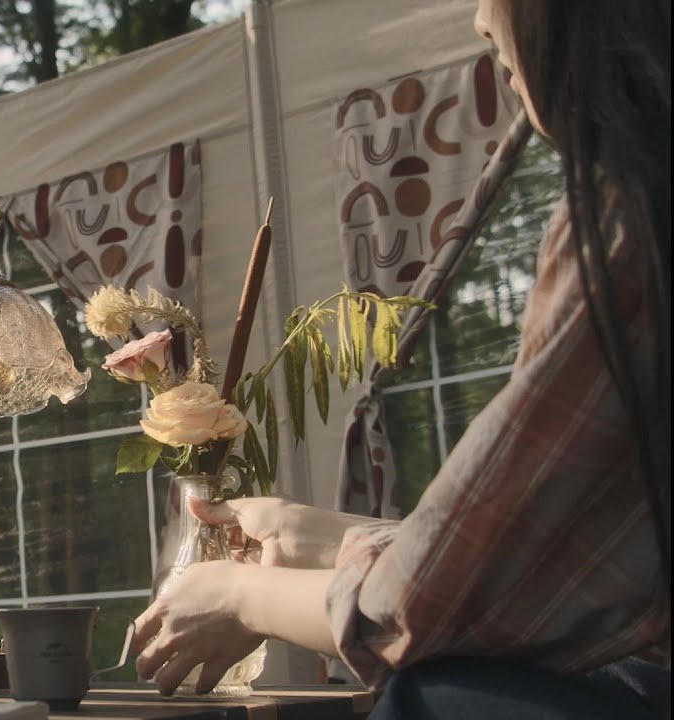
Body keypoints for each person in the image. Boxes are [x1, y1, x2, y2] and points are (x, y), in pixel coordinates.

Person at [132, 0, 671, 717]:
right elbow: (540, 565)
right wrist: (322, 536)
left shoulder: (628, 220)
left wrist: (241, 595)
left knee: (437, 697)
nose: (481, 21)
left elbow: (437, 606)